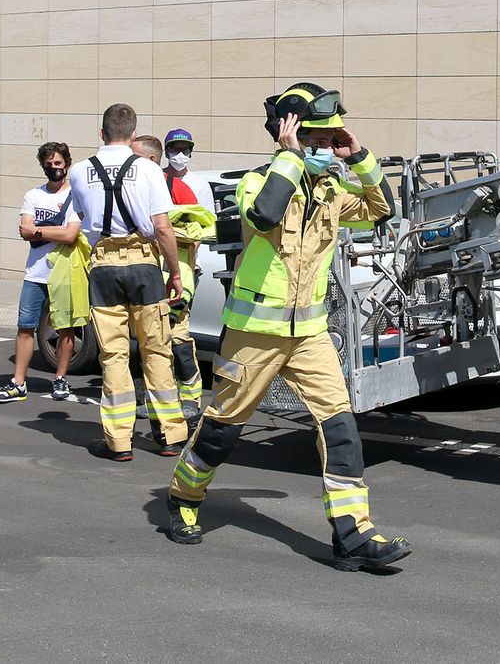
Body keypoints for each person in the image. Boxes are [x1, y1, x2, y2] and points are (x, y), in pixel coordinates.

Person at [164, 83, 409, 572]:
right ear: (288, 132)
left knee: (340, 427)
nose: (323, 148)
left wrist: (357, 154)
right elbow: (266, 213)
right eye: (315, 138)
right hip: (254, 333)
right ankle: (183, 497)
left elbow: (385, 208)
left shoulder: (331, 191)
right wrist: (291, 156)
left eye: (328, 139)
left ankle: (352, 536)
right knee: (223, 427)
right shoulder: (260, 181)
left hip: (309, 336)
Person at [67, 103, 186, 460]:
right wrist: (175, 271)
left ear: (101, 133)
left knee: (114, 355)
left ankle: (119, 441)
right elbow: (162, 227)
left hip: (103, 266)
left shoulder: (78, 171)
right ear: (133, 135)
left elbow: (82, 217)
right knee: (156, 349)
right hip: (143, 265)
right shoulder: (148, 170)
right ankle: (170, 436)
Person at [0, 142, 82, 404]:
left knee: (65, 329)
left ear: (67, 163)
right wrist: (48, 232)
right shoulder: (33, 195)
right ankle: (18, 382)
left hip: (64, 273)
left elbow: (70, 235)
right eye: (49, 165)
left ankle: (60, 379)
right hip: (35, 274)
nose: (54, 169)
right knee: (25, 327)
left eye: (58, 164)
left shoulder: (77, 196)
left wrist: (40, 231)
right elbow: (24, 230)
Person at [159, 128, 213, 422]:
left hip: (185, 269)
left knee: (179, 335)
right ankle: (159, 395)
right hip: (155, 269)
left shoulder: (198, 185)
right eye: (174, 149)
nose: (180, 155)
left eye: (185, 149)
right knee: (154, 337)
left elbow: (202, 230)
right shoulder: (157, 180)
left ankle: (190, 397)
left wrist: (169, 231)